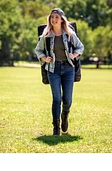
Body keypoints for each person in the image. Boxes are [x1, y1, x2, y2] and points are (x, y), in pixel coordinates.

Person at [35, 8, 84, 136]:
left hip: (68, 69)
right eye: (52, 17)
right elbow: (38, 50)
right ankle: (56, 127)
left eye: (57, 17)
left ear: (62, 19)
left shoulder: (69, 34)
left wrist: (74, 55)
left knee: (67, 100)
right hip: (53, 69)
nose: (54, 19)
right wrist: (44, 58)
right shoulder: (46, 35)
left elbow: (80, 47)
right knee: (56, 99)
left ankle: (64, 116)